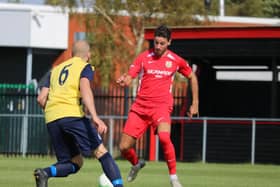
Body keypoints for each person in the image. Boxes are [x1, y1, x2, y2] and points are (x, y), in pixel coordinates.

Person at [116, 25, 199, 187]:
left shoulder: (176, 60)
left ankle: (174, 178)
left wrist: (195, 103)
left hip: (161, 107)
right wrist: (125, 80)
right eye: (156, 43)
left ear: (169, 42)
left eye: (162, 43)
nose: (158, 46)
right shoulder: (143, 57)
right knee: (124, 147)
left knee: (164, 137)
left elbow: (192, 77)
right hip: (140, 107)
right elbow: (130, 75)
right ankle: (136, 164)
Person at [34, 40, 124, 187]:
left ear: (71, 54)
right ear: (88, 55)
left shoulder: (55, 70)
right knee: (101, 152)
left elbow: (41, 98)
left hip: (52, 119)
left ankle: (45, 173)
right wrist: (95, 117)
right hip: (72, 115)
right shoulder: (84, 67)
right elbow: (85, 89)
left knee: (75, 162)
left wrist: (56, 111)